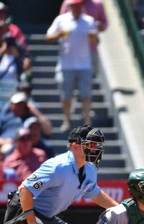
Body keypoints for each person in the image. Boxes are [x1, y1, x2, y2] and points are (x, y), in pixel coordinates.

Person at [46, 0, 99, 131]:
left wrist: (93, 38)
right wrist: (59, 34)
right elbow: (48, 37)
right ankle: (67, 119)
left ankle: (87, 121)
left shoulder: (89, 21)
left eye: (79, 5)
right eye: (74, 5)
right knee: (66, 96)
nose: (77, 7)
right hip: (66, 65)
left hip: (84, 64)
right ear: (70, 6)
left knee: (86, 95)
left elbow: (97, 41)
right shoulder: (61, 20)